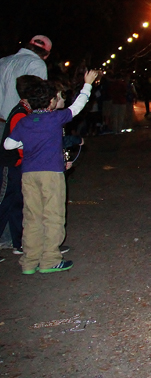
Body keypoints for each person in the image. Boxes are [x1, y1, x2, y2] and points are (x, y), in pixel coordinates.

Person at [4, 69, 99, 274]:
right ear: (50, 102)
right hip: (51, 173)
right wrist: (88, 84)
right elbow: (78, 106)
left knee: (32, 217)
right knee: (53, 215)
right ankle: (50, 260)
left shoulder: (24, 121)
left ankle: (29, 261)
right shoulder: (55, 118)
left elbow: (8, 144)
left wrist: (27, 142)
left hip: (28, 174)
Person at [0, 76, 44, 257]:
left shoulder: (24, 111)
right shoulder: (20, 113)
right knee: (5, 204)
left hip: (16, 164)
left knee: (16, 204)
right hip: (10, 164)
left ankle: (18, 243)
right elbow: (18, 142)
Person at [0, 36, 52, 123]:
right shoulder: (37, 64)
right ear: (46, 55)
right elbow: (38, 98)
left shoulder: (3, 60)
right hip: (13, 122)